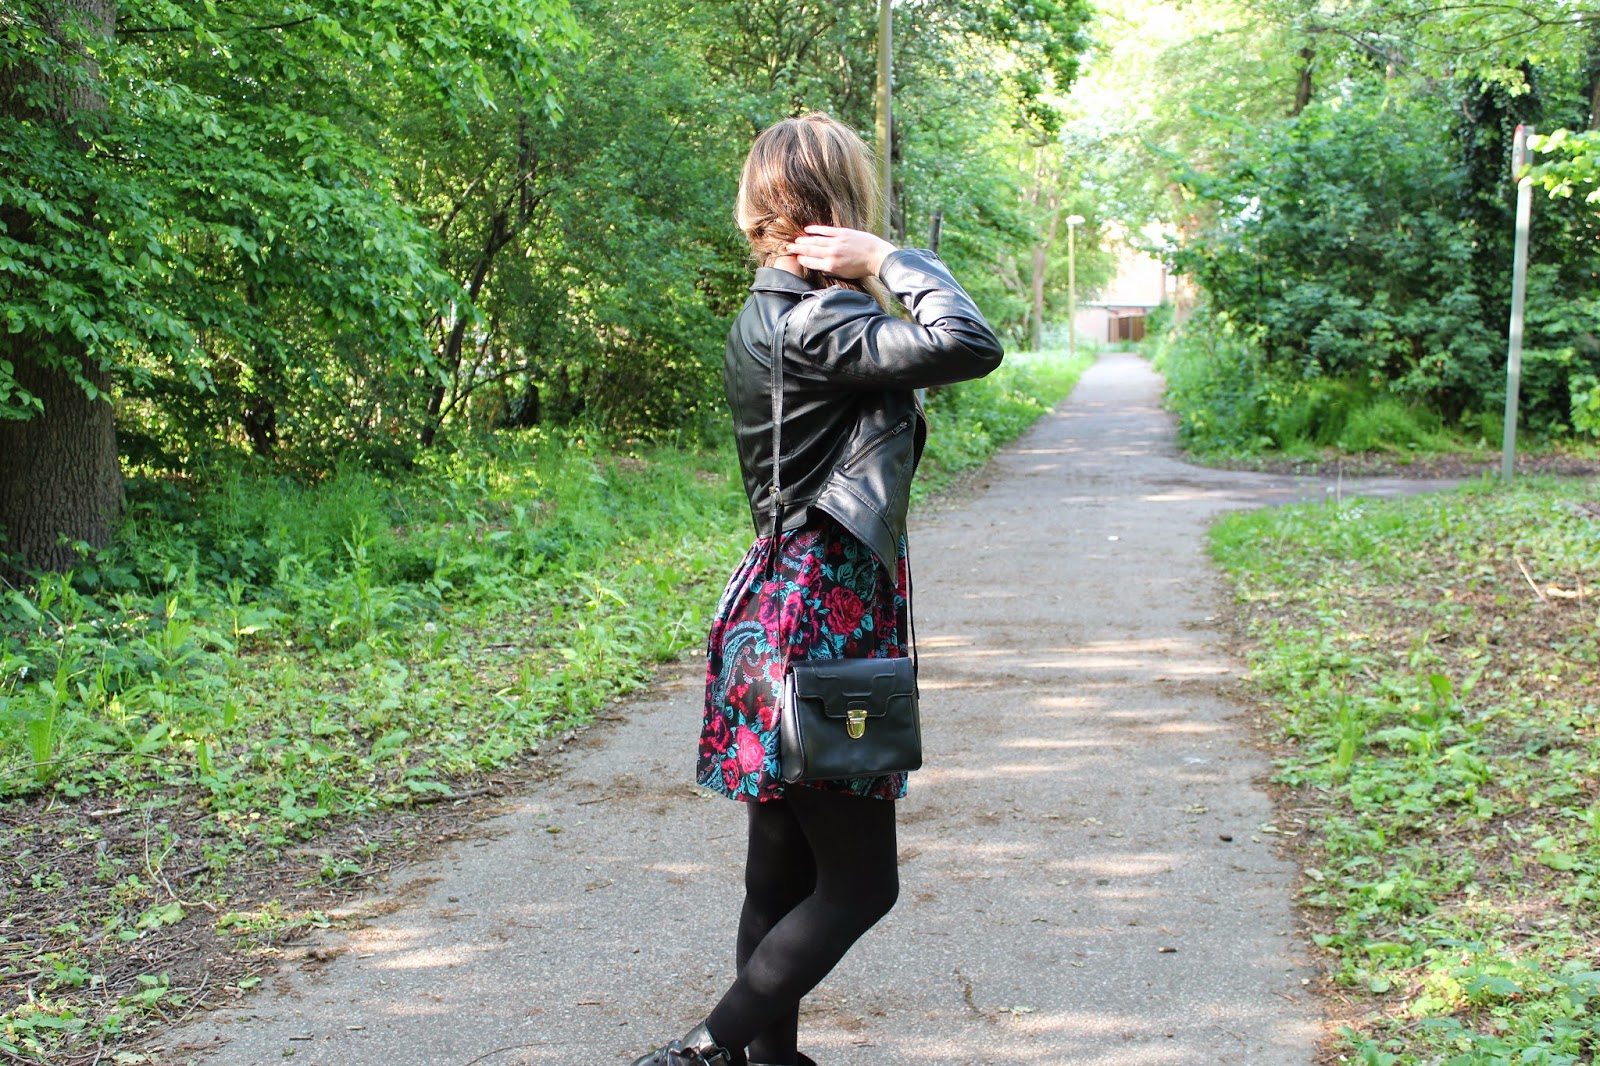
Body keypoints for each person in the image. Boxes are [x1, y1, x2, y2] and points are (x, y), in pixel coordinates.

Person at [629, 112, 1003, 1066]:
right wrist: (889, 259)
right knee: (861, 885)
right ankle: (703, 1052)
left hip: (773, 608)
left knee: (779, 876)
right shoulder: (826, 322)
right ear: (838, 208)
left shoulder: (764, 313)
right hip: (823, 620)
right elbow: (969, 342)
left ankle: (769, 1061)